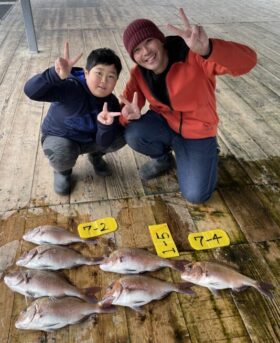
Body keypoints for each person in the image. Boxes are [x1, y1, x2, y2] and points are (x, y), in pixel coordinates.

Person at [120, 8, 257, 204]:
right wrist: (127, 116)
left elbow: (248, 61)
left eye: (148, 41)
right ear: (134, 57)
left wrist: (209, 49)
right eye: (137, 50)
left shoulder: (194, 55)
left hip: (197, 132)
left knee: (196, 195)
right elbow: (123, 108)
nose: (146, 52)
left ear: (161, 40)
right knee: (133, 132)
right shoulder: (138, 73)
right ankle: (163, 159)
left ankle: (207, 152)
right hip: (165, 126)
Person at [24, 42, 125, 195]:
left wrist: (105, 126)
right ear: (86, 73)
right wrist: (54, 76)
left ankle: (95, 156)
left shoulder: (111, 104)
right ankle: (63, 172)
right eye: (99, 73)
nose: (104, 80)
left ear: (116, 81)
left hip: (90, 140)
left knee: (123, 133)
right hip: (61, 137)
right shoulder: (70, 86)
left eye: (111, 76)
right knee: (60, 152)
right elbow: (31, 91)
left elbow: (105, 141)